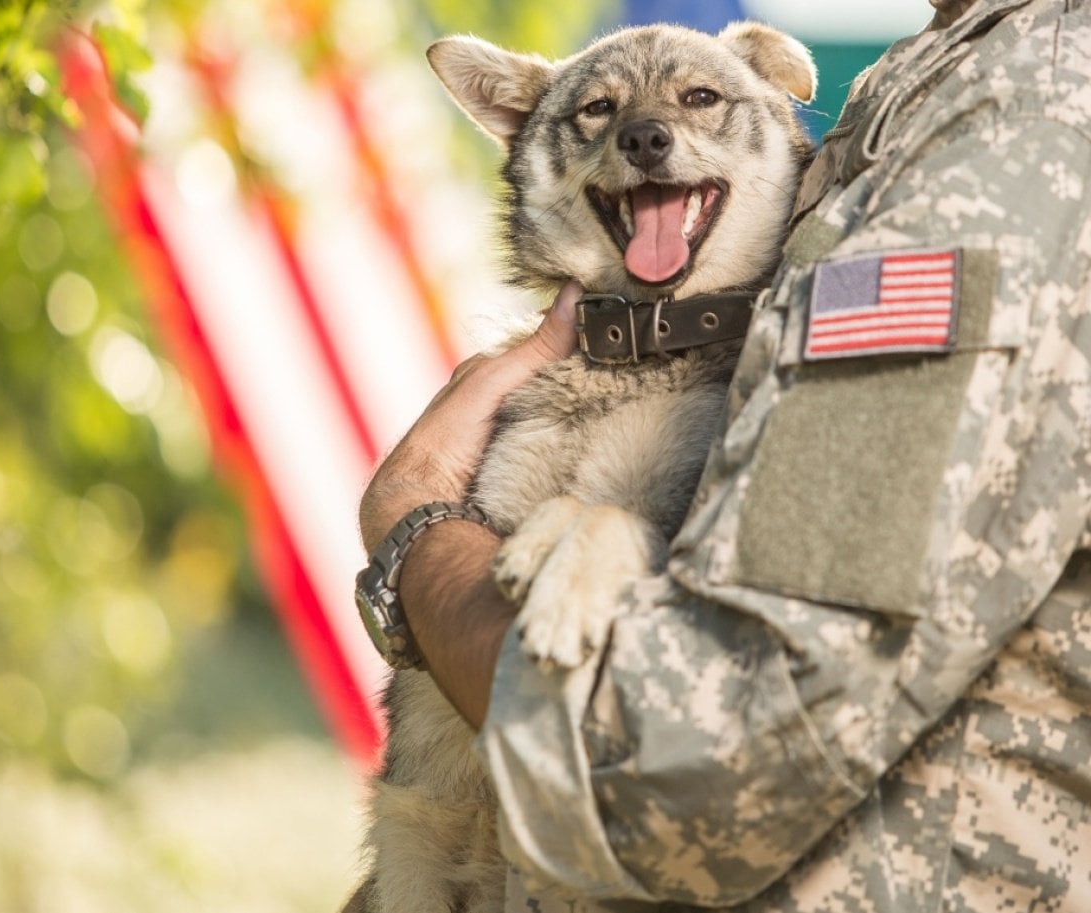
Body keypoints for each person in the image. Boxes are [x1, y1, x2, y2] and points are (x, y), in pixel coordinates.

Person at [357, 0, 1091, 909]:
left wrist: (413, 526)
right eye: (602, 113)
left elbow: (709, 744)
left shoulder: (1024, 116)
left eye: (700, 98)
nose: (648, 129)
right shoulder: (934, 75)